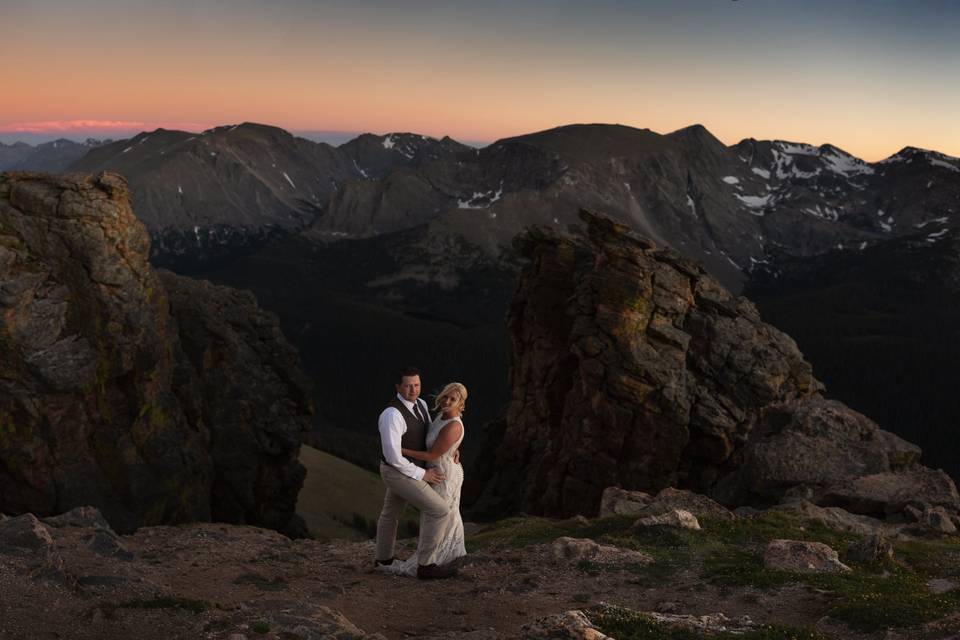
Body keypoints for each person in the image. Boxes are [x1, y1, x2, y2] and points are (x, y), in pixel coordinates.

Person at [374, 367, 459, 580]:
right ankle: (426, 566)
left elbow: (431, 436)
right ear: (398, 387)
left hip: (408, 469)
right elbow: (393, 456)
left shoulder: (420, 405)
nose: (413, 390)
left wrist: (451, 448)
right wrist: (422, 474)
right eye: (408, 385)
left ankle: (383, 560)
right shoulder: (391, 415)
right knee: (439, 510)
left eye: (417, 385)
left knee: (390, 513)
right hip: (397, 472)